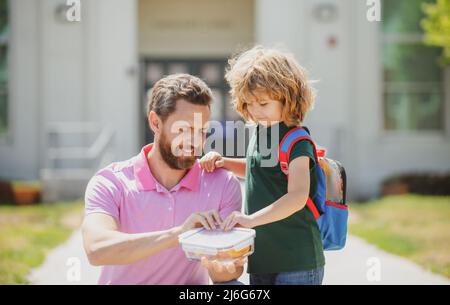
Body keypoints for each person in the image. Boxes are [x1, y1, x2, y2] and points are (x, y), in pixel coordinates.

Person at [200, 46, 325, 285]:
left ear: (289, 97)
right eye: (248, 104)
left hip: (297, 260)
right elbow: (258, 169)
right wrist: (224, 162)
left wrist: (250, 220)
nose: (255, 111)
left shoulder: (298, 141)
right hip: (263, 258)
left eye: (263, 103)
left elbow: (298, 196)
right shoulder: (262, 131)